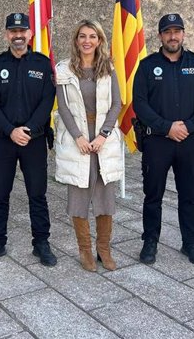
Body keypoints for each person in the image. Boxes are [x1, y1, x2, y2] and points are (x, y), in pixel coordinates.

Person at [132, 14, 194, 265]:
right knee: (152, 195)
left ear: (183, 34)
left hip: (189, 142)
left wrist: (188, 126)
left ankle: (190, 242)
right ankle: (150, 242)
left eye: (177, 31)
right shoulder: (147, 66)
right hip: (157, 142)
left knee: (189, 195)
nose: (173, 36)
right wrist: (166, 127)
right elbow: (140, 104)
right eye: (167, 31)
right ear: (160, 36)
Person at [0, 13, 57, 267]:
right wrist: (11, 130)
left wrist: (29, 129)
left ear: (30, 34)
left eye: (22, 30)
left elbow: (47, 101)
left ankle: (41, 242)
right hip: (3, 140)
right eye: (13, 31)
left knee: (37, 193)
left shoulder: (43, 64)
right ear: (6, 35)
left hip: (34, 141)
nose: (18, 35)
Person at [54, 20, 124, 271]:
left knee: (105, 197)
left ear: (99, 40)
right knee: (79, 197)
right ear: (76, 40)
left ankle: (104, 250)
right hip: (79, 140)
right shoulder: (63, 69)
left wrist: (103, 135)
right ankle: (84, 251)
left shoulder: (108, 68)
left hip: (103, 139)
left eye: (92, 36)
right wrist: (79, 138)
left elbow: (117, 103)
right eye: (82, 36)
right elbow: (63, 108)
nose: (87, 41)